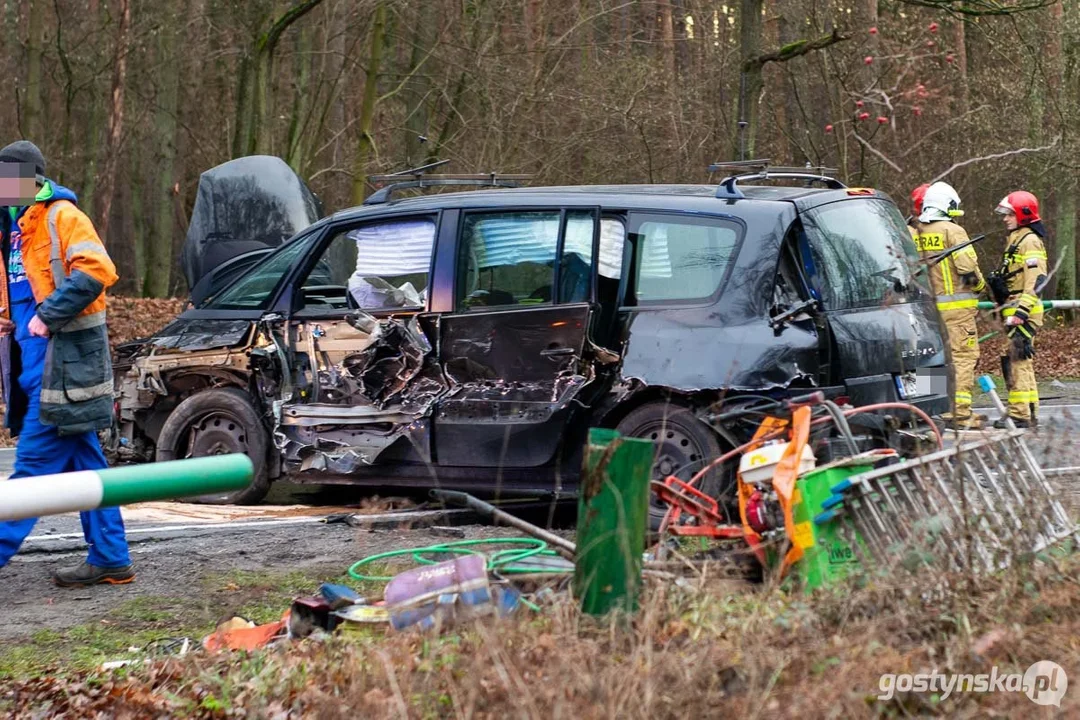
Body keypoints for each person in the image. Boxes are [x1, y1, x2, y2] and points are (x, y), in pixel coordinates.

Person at [0, 140, 133, 586]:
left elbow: (97, 270)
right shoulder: (12, 228)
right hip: (33, 367)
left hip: (64, 369)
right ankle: (111, 557)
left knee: (31, 473)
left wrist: (47, 314)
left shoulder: (62, 217)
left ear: (29, 181)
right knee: (86, 468)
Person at [913, 181, 986, 430]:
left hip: (925, 312)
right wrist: (979, 287)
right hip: (956, 311)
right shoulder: (953, 231)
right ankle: (959, 413)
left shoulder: (913, 232)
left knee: (933, 358)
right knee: (963, 357)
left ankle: (933, 409)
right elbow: (967, 269)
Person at [989, 191, 1047, 429]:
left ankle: (1020, 414)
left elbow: (1036, 280)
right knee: (1020, 360)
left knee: (1017, 360)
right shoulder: (1017, 239)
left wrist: (1020, 313)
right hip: (1014, 307)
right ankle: (1028, 412)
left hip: (1023, 311)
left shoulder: (1029, 241)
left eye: (1009, 214)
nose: (1005, 219)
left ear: (1023, 215)